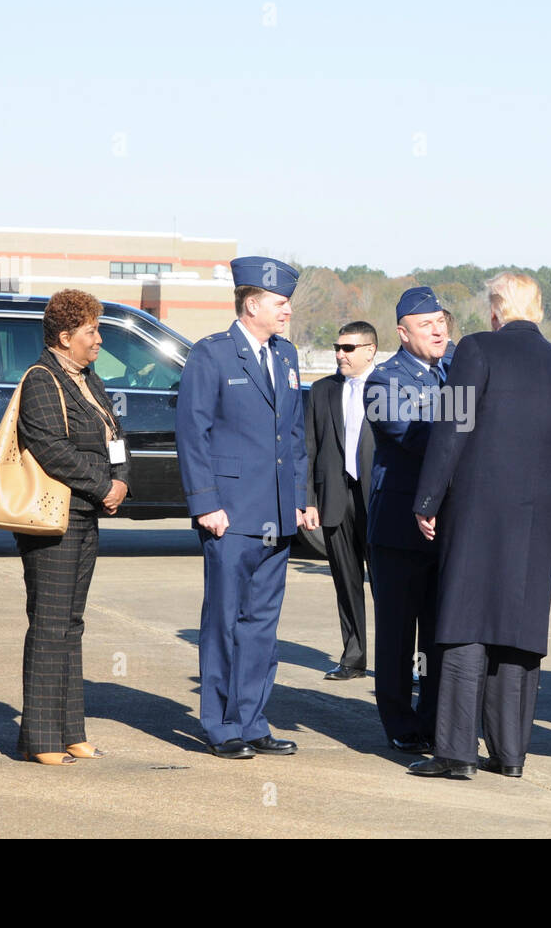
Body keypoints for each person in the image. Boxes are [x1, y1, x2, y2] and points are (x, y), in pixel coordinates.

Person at [407, 273, 551, 779]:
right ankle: (510, 755)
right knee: (518, 627)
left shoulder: (477, 349)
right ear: (539, 311)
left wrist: (427, 499)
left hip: (476, 506)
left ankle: (456, 753)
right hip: (536, 512)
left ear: (495, 310)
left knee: (466, 620)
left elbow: (452, 427)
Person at [177, 257, 314, 759]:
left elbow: (295, 436)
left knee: (262, 624)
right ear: (252, 303)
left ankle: (253, 720)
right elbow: (194, 436)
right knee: (224, 621)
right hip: (229, 516)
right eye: (281, 303)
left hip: (276, 514)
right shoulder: (211, 356)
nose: (288, 312)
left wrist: (300, 501)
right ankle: (221, 725)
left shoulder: (287, 356)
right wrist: (206, 504)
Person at [14, 288, 129, 765]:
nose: (98, 339)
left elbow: (113, 433)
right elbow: (49, 447)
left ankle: (70, 729)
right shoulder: (42, 379)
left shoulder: (87, 378)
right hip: (54, 518)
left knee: (72, 624)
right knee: (49, 623)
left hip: (85, 514)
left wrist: (121, 478)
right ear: (65, 337)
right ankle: (39, 737)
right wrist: (103, 485)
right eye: (91, 331)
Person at [364, 287, 451, 754]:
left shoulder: (455, 369)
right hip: (399, 528)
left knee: (441, 631)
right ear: (402, 333)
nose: (438, 330)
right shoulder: (385, 381)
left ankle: (437, 719)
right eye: (425, 324)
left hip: (447, 527)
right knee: (398, 634)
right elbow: (417, 436)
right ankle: (400, 720)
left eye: (441, 321)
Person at [306, 321, 377, 680]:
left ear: (370, 351)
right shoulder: (322, 390)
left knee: (389, 588)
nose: (339, 355)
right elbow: (309, 447)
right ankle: (353, 658)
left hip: (379, 501)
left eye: (348, 349)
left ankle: (401, 664)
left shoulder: (390, 388)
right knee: (346, 583)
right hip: (336, 497)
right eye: (337, 347)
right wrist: (308, 500)